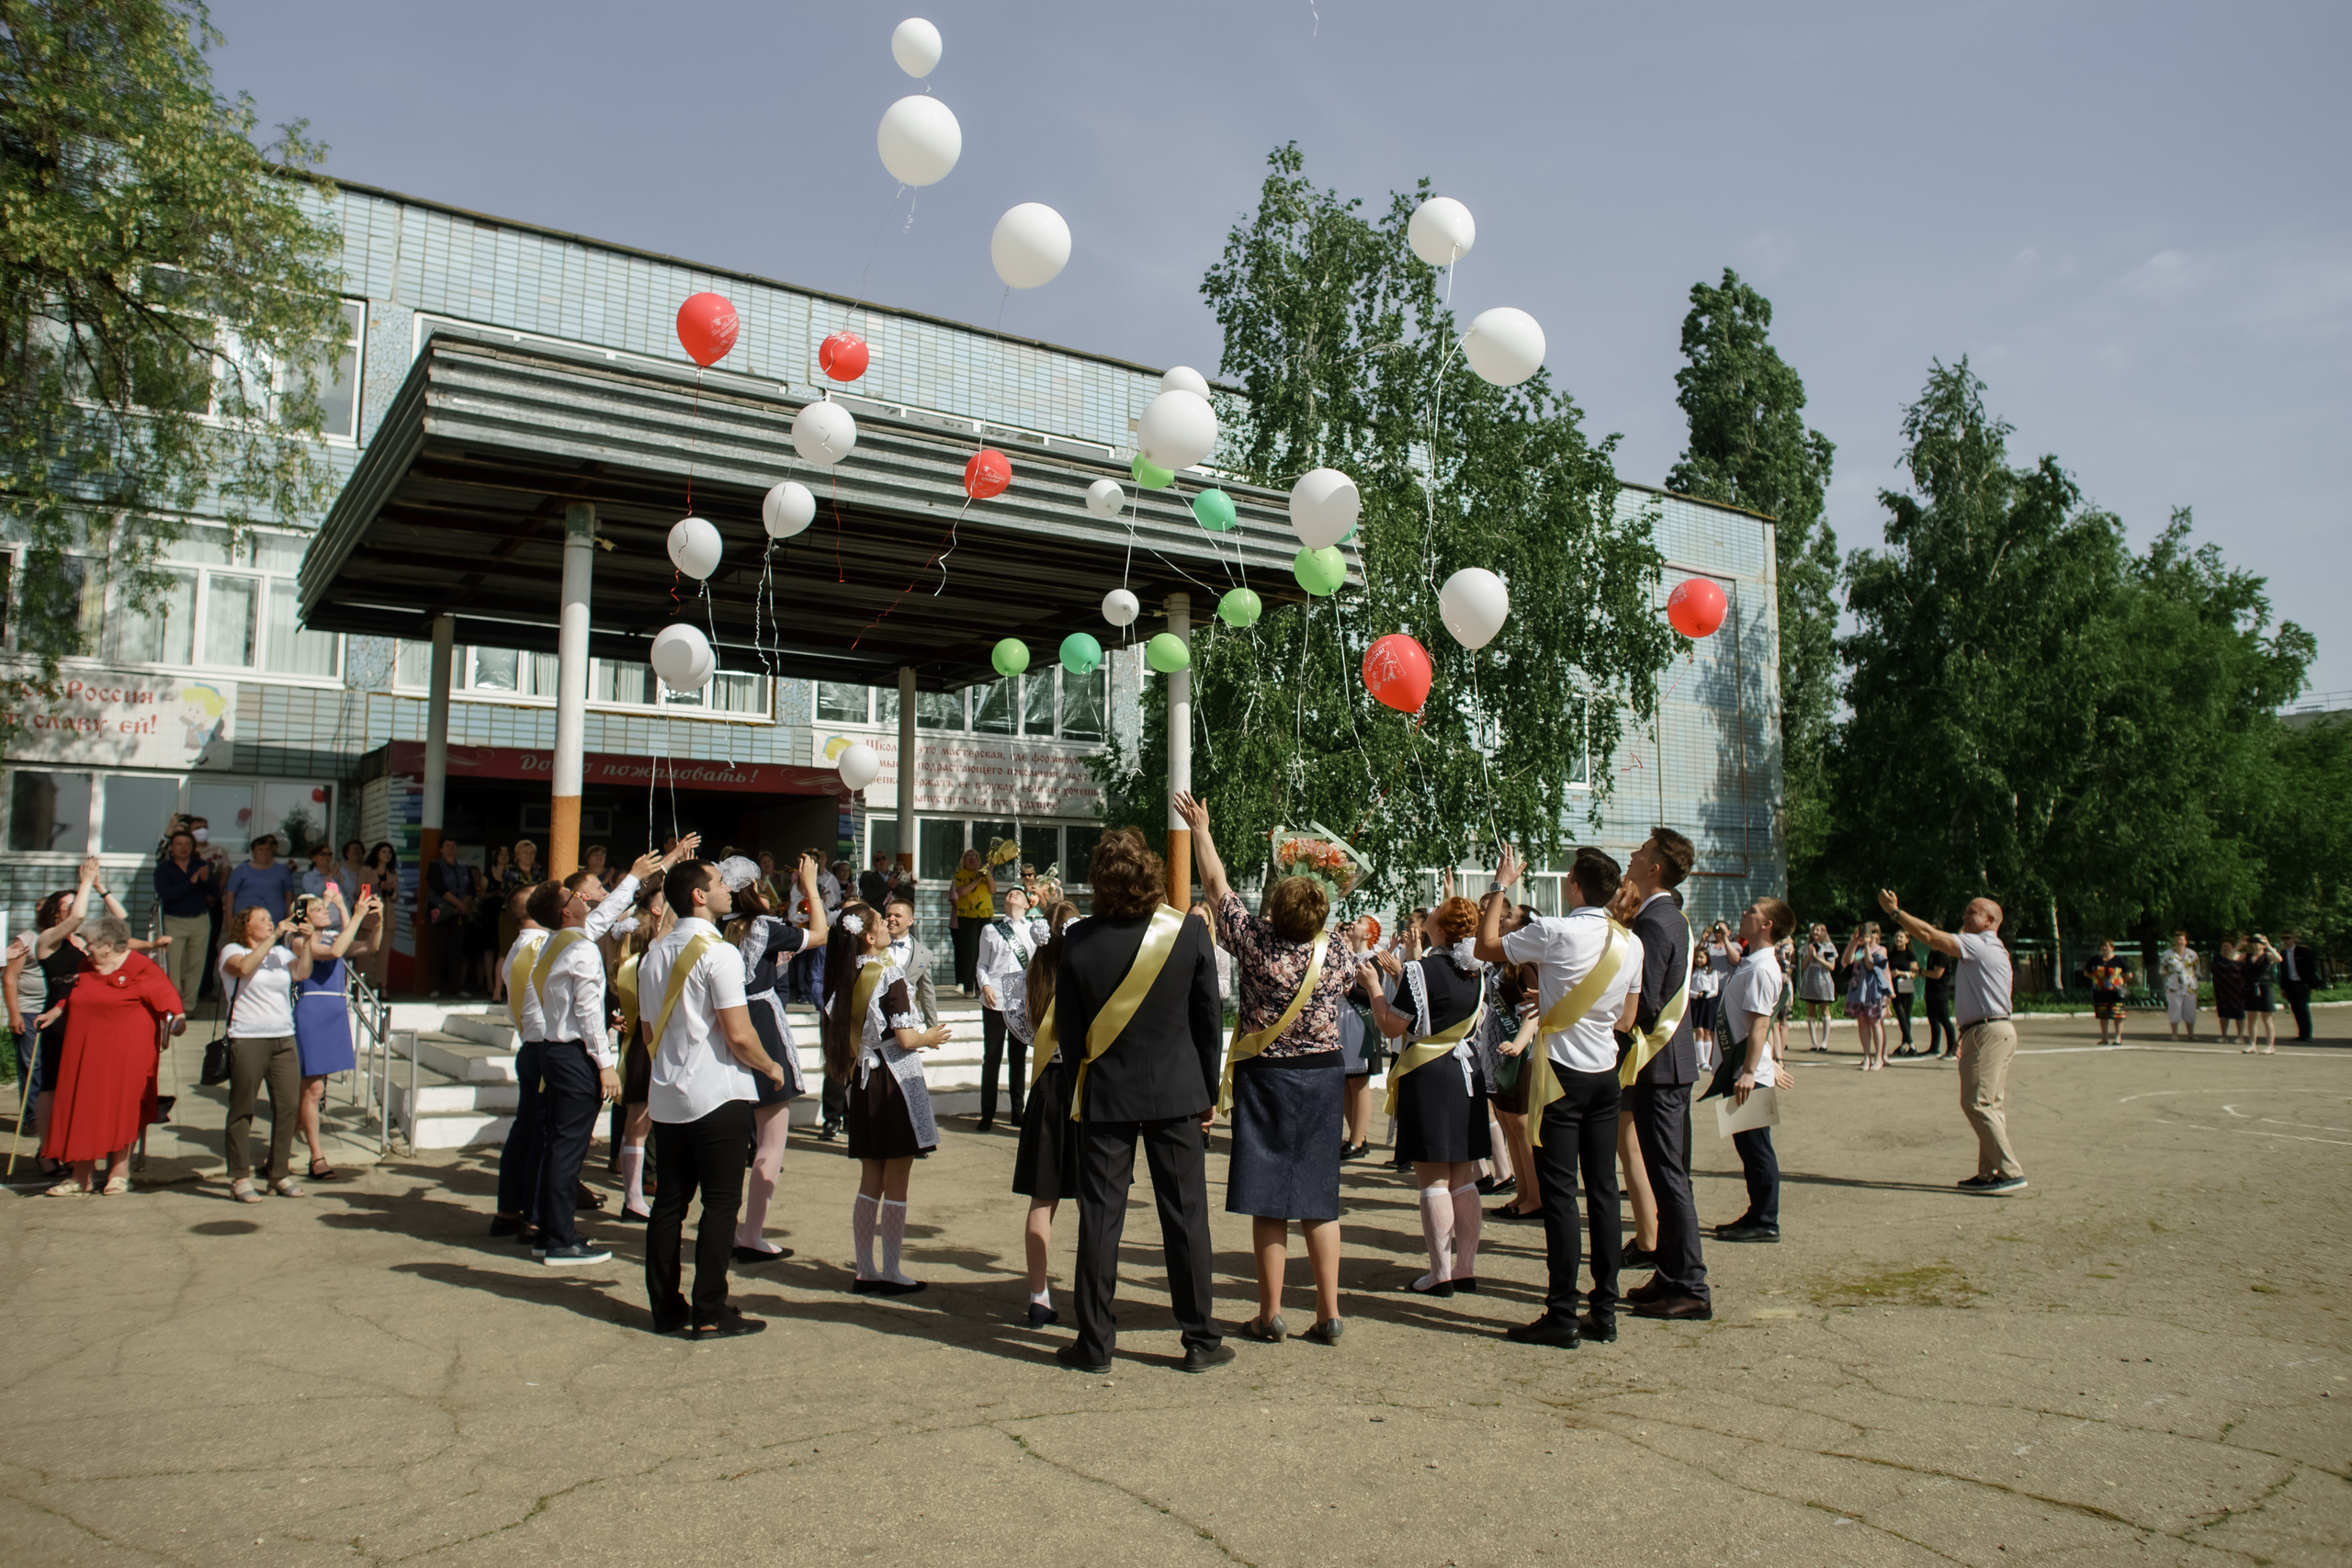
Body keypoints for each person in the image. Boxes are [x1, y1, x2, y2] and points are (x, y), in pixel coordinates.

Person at [1054, 826, 1229, 1375]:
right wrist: (1206, 1092)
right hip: (1178, 1093)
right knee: (1185, 1218)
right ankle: (1199, 1339)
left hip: (1106, 1097)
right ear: (1152, 872)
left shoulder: (1077, 942)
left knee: (1100, 1222)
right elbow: (1209, 1023)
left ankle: (1095, 1344)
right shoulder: (1189, 935)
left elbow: (1070, 1034)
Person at [1178, 792, 1351, 1344]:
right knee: (1319, 1197)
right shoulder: (1340, 952)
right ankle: (1329, 1313)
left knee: (1269, 1196)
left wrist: (1202, 830)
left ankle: (1270, 1312)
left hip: (1268, 1074)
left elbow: (1215, 889)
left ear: (1274, 909)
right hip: (1324, 1074)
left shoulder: (1255, 943)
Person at [1476, 844, 1642, 1348]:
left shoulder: (1556, 930)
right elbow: (1628, 1021)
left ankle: (1562, 1313)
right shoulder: (1629, 943)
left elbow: (1485, 947)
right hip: (1604, 1073)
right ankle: (1606, 1310)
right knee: (1604, 1193)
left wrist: (1502, 885)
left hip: (1561, 1077)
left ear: (1574, 885)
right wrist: (1565, 1004)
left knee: (1562, 1196)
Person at [641, 857, 791, 1337]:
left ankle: (666, 1308)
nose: (731, 887)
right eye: (721, 882)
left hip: (667, 1094)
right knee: (721, 1203)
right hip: (717, 1093)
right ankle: (709, 1310)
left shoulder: (654, 953)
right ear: (699, 896)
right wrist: (771, 1066)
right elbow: (739, 1034)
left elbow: (648, 1030)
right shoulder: (719, 953)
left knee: (669, 1204)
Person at [1363, 895, 1490, 1303]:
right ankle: (1465, 1266)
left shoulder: (1421, 970)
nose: (1427, 917)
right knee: (1463, 1176)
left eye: (1434, 914)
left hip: (1430, 1075)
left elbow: (1389, 1026)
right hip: (1466, 1073)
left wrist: (1372, 988)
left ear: (1442, 928)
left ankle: (1440, 1272)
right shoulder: (1476, 970)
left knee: (1433, 1179)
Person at [526, 863, 649, 1268]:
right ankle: (561, 1239)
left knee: (558, 1146)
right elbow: (587, 1014)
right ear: (566, 911)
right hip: (573, 1054)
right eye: (573, 896)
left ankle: (549, 1232)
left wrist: (635, 875)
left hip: (554, 1050)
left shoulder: (556, 942)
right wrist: (605, 1064)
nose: (581, 897)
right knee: (568, 1150)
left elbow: (605, 912)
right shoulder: (579, 948)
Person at [1619, 828, 1712, 1322]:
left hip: (1660, 1066)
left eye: (1641, 852)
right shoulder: (1667, 915)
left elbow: (1648, 1002)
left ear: (1655, 868)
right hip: (1670, 1065)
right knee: (1667, 1174)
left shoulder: (1655, 921)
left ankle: (1691, 1285)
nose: (1632, 855)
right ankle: (1671, 1273)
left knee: (1670, 1178)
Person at [1878, 888, 2023, 1192]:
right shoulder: (1994, 947)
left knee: (1977, 1103)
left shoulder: (1981, 943)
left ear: (1989, 920)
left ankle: (2009, 1171)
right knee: (1991, 1106)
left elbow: (1930, 935)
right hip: (1993, 1029)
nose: (1964, 916)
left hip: (1987, 1031)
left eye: (1971, 912)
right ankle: (1989, 1173)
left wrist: (1896, 913)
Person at [725, 852, 829, 1263]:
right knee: (771, 1142)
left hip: (722, 1023)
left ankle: (726, 1227)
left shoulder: (713, 928)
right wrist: (810, 890)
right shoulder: (762, 929)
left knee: (731, 1140)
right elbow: (819, 935)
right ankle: (751, 1234)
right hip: (761, 1024)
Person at [37, 915, 185, 1195]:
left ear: (107, 945)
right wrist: (56, 1011)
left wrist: (177, 1019)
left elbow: (168, 998)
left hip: (126, 1053)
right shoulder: (85, 965)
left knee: (121, 1109)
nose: (86, 948)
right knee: (82, 1109)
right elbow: (72, 993)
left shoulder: (140, 967)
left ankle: (119, 1172)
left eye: (90, 943)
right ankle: (81, 1176)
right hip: (84, 1052)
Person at [1706, 897, 1795, 1242]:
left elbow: (1760, 1025)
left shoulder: (1760, 967)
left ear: (1766, 925)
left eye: (1752, 913)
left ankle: (1765, 1219)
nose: (1745, 914)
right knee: (1747, 1147)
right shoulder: (1751, 961)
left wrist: (1748, 1071)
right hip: (1743, 1070)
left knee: (1757, 1147)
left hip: (1748, 1075)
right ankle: (1756, 1212)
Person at [1011, 898, 1082, 1326]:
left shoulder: (1029, 979)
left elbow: (1023, 1029)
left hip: (1044, 1091)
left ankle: (1038, 1295)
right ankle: (1094, 1290)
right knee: (1096, 1198)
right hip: (1081, 1091)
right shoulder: (1085, 978)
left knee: (1043, 1198)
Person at [219, 900, 315, 1201]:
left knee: (287, 1106)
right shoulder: (233, 951)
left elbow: (302, 973)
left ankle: (278, 1173)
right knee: (242, 1107)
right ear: (246, 927)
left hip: (283, 1037)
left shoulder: (280, 953)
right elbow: (245, 969)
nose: (270, 922)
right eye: (263, 919)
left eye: (271, 918)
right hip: (248, 1037)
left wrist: (308, 942)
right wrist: (274, 938)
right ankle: (239, 1177)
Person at [292, 887, 379, 1182]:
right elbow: (334, 952)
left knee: (311, 1091)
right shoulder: (297, 941)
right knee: (314, 1090)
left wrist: (376, 921)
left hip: (334, 1010)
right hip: (313, 1010)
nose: (324, 911)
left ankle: (278, 1151)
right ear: (303, 916)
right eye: (318, 909)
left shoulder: (331, 936)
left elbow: (368, 947)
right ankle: (316, 1156)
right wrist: (354, 914)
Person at [976, 883, 1038, 1132]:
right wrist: (985, 986)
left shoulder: (1034, 929)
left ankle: (1017, 1112)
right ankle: (987, 1114)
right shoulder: (990, 929)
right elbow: (982, 964)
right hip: (994, 1002)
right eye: (1009, 893)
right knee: (991, 1058)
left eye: (1019, 893)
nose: (1012, 894)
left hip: (1020, 1004)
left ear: (1027, 904)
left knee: (1018, 1059)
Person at [1334, 916, 1385, 1160]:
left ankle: (1357, 1139)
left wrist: (1349, 989)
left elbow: (1374, 995)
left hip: (1359, 1022)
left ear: (1368, 934)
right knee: (1344, 1082)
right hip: (1341, 1019)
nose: (1353, 923)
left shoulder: (1373, 959)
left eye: (1360, 922)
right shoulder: (1345, 955)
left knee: (1358, 1082)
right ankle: (1357, 1136)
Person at [152, 827, 216, 1014]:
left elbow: (214, 892)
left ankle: (188, 1007)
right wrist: (191, 881)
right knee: (173, 965)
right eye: (179, 844)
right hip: (174, 920)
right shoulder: (164, 869)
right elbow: (166, 895)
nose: (183, 847)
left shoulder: (200, 864)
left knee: (196, 965)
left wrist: (206, 879)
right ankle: (173, 1005)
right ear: (171, 847)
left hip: (200, 919)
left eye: (188, 844)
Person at [423, 839, 478, 998]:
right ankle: (435, 987)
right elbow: (439, 887)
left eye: (454, 845)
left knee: (457, 950)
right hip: (440, 913)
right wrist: (458, 905)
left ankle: (456, 987)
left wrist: (464, 904)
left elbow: (471, 889)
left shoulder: (464, 867)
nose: (451, 848)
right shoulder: (435, 866)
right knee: (437, 950)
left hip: (459, 914)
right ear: (441, 849)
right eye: (447, 846)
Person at [882, 890, 941, 1030]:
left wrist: (933, 1027)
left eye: (897, 915)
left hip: (907, 1020)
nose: (891, 919)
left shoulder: (924, 954)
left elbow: (926, 993)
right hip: (878, 1018)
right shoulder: (876, 946)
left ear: (910, 921)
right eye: (888, 915)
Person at [1843, 922, 1892, 1070]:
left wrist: (1866, 946)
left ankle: (1879, 1058)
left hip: (1873, 989)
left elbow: (1870, 964)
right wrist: (1854, 942)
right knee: (1862, 1021)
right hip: (1858, 988)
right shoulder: (1858, 948)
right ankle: (1866, 1056)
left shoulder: (1881, 950)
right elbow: (1847, 961)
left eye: (1871, 933)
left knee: (1874, 1022)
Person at [223, 836, 296, 931]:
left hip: (275, 921)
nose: (264, 852)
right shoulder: (241, 870)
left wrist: (288, 918)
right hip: (245, 920)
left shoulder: (282, 870)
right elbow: (230, 894)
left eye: (268, 849)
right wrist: (228, 918)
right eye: (260, 849)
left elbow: (289, 895)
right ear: (253, 852)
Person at [951, 848, 995, 996]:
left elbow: (993, 889)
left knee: (984, 950)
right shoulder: (960, 875)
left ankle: (980, 986)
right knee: (970, 952)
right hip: (967, 917)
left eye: (974, 856)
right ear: (963, 861)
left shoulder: (985, 873)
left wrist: (987, 875)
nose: (971, 859)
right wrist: (978, 879)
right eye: (967, 857)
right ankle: (968, 987)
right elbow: (962, 891)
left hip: (984, 915)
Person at [361, 843, 401, 991]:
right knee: (365, 953)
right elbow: (359, 891)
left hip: (387, 918)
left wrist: (390, 891)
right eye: (384, 851)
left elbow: (396, 897)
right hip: (369, 917)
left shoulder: (393, 874)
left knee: (384, 956)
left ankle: (381, 986)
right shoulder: (367, 870)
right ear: (376, 854)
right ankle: (360, 984)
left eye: (389, 852)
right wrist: (378, 887)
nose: (387, 854)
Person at [1798, 923, 1838, 1051]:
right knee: (1811, 1011)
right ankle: (1814, 1042)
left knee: (1824, 1009)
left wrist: (1817, 958)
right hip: (1810, 979)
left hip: (1823, 979)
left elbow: (1831, 967)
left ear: (1823, 932)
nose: (1815, 932)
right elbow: (1803, 966)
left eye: (1818, 930)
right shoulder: (1807, 947)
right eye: (1813, 930)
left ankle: (1824, 1042)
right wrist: (1809, 955)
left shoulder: (1829, 947)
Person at [2083, 941, 2131, 1046]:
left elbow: (2129, 974)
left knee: (2118, 1015)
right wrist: (2097, 980)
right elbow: (2086, 972)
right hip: (2100, 992)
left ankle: (2118, 1038)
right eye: (2102, 947)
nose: (2104, 949)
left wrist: (2120, 983)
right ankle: (2104, 1038)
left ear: (2112, 948)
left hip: (2116, 993)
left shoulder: (2118, 960)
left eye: (2106, 947)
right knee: (2103, 1015)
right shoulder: (2095, 960)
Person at [2278, 931, 2318, 1043]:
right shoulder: (2283, 954)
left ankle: (2307, 1034)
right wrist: (2283, 988)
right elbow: (2283, 972)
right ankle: (2301, 1033)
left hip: (2302, 984)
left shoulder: (2303, 951)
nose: (2285, 940)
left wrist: (2307, 983)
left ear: (2294, 939)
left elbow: (2312, 968)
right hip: (2291, 984)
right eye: (2283, 938)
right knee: (2295, 1009)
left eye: (2288, 938)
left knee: (2302, 1008)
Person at [2241, 934, 2278, 1054]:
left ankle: (2270, 1046)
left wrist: (2268, 945)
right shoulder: (2248, 956)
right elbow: (2232, 958)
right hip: (2251, 988)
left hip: (2265, 988)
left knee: (2267, 1018)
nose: (2256, 944)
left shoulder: (2268, 955)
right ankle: (2252, 1044)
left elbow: (2279, 959)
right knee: (2251, 1018)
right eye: (2254, 941)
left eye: (2259, 942)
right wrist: (2239, 945)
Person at [2160, 931, 2199, 1042]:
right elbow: (2163, 970)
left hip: (2190, 986)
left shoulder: (2192, 954)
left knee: (2190, 1010)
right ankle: (2174, 1034)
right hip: (2174, 986)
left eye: (2181, 940)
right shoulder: (2168, 954)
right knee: (2174, 1009)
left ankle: (2191, 1034)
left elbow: (2197, 970)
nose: (2179, 942)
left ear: (2186, 941)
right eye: (2177, 940)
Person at [1922, 943, 1958, 1059]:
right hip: (1931, 991)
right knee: (1933, 1020)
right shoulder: (1932, 953)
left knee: (1944, 1020)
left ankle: (1952, 1048)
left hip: (1940, 992)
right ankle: (1934, 1048)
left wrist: (1921, 971)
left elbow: (1937, 974)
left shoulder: (1942, 954)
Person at [1886, 938, 1919, 1055]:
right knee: (1901, 1015)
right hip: (1895, 988)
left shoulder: (1911, 955)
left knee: (1906, 1015)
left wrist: (1900, 973)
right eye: (1897, 937)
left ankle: (1906, 1044)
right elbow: (1886, 970)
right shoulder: (1890, 954)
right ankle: (1910, 1044)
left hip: (1907, 988)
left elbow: (1913, 974)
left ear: (1907, 940)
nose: (1898, 939)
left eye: (1901, 937)